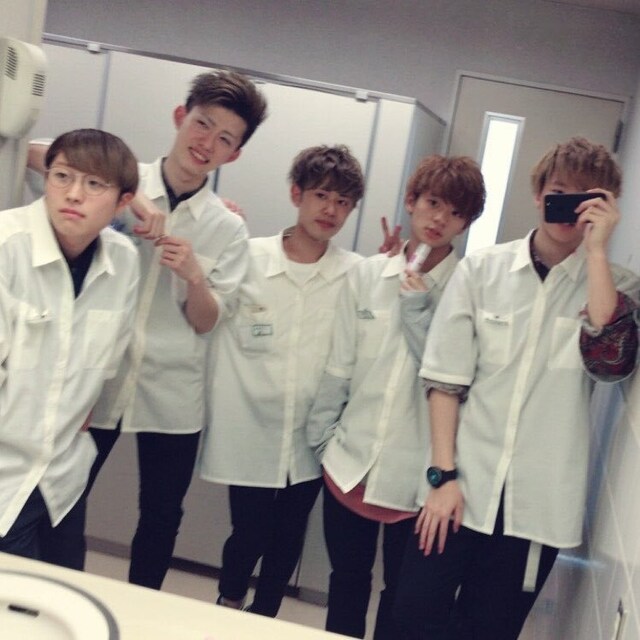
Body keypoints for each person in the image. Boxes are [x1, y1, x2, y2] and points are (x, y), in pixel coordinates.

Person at [394, 137, 640, 640]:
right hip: (458, 488)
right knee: (412, 619)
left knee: (490, 630)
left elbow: (610, 365)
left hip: (536, 509)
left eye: (585, 197)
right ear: (538, 193)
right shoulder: (482, 271)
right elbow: (444, 381)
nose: (568, 207)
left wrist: (596, 252)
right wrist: (443, 477)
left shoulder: (616, 286)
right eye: (559, 192)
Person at [86, 70, 267, 590]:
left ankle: (144, 608)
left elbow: (207, 322)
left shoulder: (227, 227)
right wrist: (134, 202)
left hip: (174, 389)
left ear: (234, 154)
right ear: (180, 116)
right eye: (202, 124)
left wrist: (194, 276)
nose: (207, 143)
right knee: (64, 488)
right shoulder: (119, 178)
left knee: (162, 514)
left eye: (225, 139)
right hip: (100, 371)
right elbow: (43, 156)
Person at [306, 156, 486, 639]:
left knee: (401, 595)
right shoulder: (368, 275)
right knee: (346, 581)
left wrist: (417, 309)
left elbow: (451, 380)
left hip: (419, 478)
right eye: (432, 203)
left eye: (456, 212)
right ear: (412, 201)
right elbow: (339, 366)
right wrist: (323, 443)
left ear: (466, 223)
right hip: (349, 462)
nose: (439, 218)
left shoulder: (471, 290)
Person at [199, 144, 365, 617]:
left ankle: (266, 613)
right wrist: (216, 219)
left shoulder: (355, 274)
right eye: (321, 196)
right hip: (251, 425)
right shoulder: (248, 256)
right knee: (248, 531)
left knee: (290, 534)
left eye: (342, 202)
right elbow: (199, 282)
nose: (330, 210)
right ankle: (230, 598)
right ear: (297, 194)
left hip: (312, 432)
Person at [0, 128, 140, 570]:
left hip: (62, 478)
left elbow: (104, 365)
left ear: (123, 202)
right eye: (62, 176)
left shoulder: (123, 261)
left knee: (66, 591)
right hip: (4, 475)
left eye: (94, 184)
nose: (74, 194)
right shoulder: (7, 247)